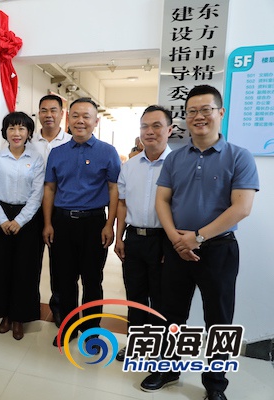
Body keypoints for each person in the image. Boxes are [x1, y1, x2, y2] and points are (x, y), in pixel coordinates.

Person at [140, 85, 259, 400]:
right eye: (192, 111)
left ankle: (216, 384)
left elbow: (242, 208)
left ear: (220, 113)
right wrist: (176, 239)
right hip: (177, 247)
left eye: (206, 110)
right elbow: (162, 200)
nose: (198, 116)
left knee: (219, 320)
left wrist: (199, 237)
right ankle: (168, 369)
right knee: (171, 313)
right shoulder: (176, 158)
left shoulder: (239, 156)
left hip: (219, 249)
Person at [42, 97, 120, 347]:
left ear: (96, 121)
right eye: (75, 115)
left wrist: (109, 225)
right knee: (64, 280)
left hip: (94, 223)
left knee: (92, 280)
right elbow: (50, 189)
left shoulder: (107, 152)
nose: (80, 121)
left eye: (86, 116)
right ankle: (68, 328)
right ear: (69, 119)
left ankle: (91, 331)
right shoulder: (57, 153)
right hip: (62, 222)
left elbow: (114, 189)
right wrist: (48, 223)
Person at [114, 105, 172, 361]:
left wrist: (172, 244)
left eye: (156, 126)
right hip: (134, 239)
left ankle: (159, 349)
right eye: (144, 126)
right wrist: (119, 237)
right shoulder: (130, 166)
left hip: (163, 240)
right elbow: (122, 204)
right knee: (135, 295)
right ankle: (136, 344)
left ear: (169, 130)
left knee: (161, 298)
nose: (149, 131)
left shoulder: (177, 165)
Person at [0, 111, 45, 340]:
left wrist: (19, 220)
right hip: (0, 215)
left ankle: (19, 317)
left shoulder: (36, 159)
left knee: (25, 270)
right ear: (5, 132)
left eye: (21, 128)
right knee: (2, 268)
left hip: (28, 219)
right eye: (12, 128)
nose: (16, 133)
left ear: (29, 132)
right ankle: (4, 315)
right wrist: (2, 219)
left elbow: (37, 194)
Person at [29, 94, 72, 327]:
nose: (48, 115)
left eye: (53, 110)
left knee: (60, 264)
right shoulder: (28, 141)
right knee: (30, 261)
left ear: (62, 114)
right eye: (44, 110)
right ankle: (28, 306)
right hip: (30, 210)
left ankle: (58, 308)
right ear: (38, 114)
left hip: (59, 210)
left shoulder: (71, 142)